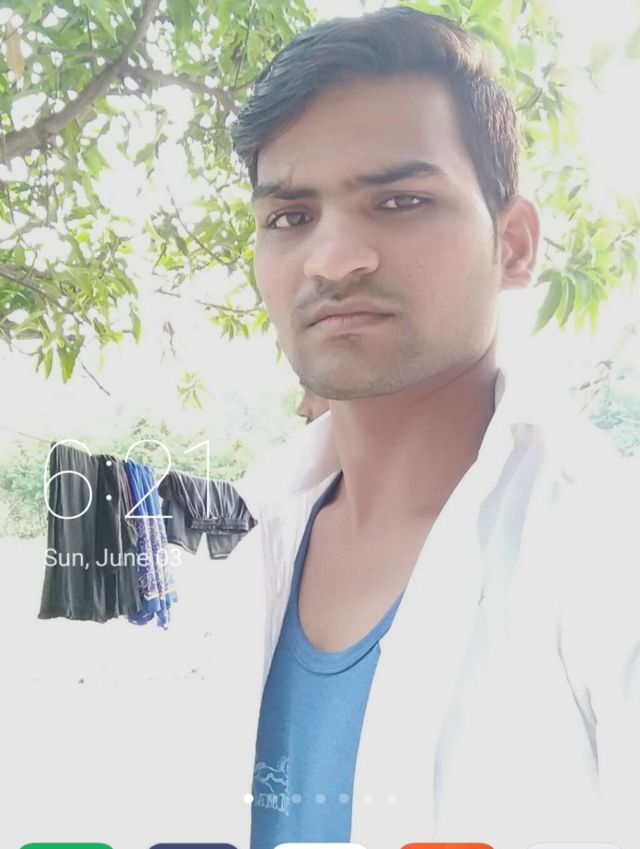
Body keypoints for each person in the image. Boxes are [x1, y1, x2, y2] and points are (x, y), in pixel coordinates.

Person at [224, 7, 640, 849]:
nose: (333, 258)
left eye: (401, 201)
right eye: (291, 217)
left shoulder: (606, 551)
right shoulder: (234, 547)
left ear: (513, 245)